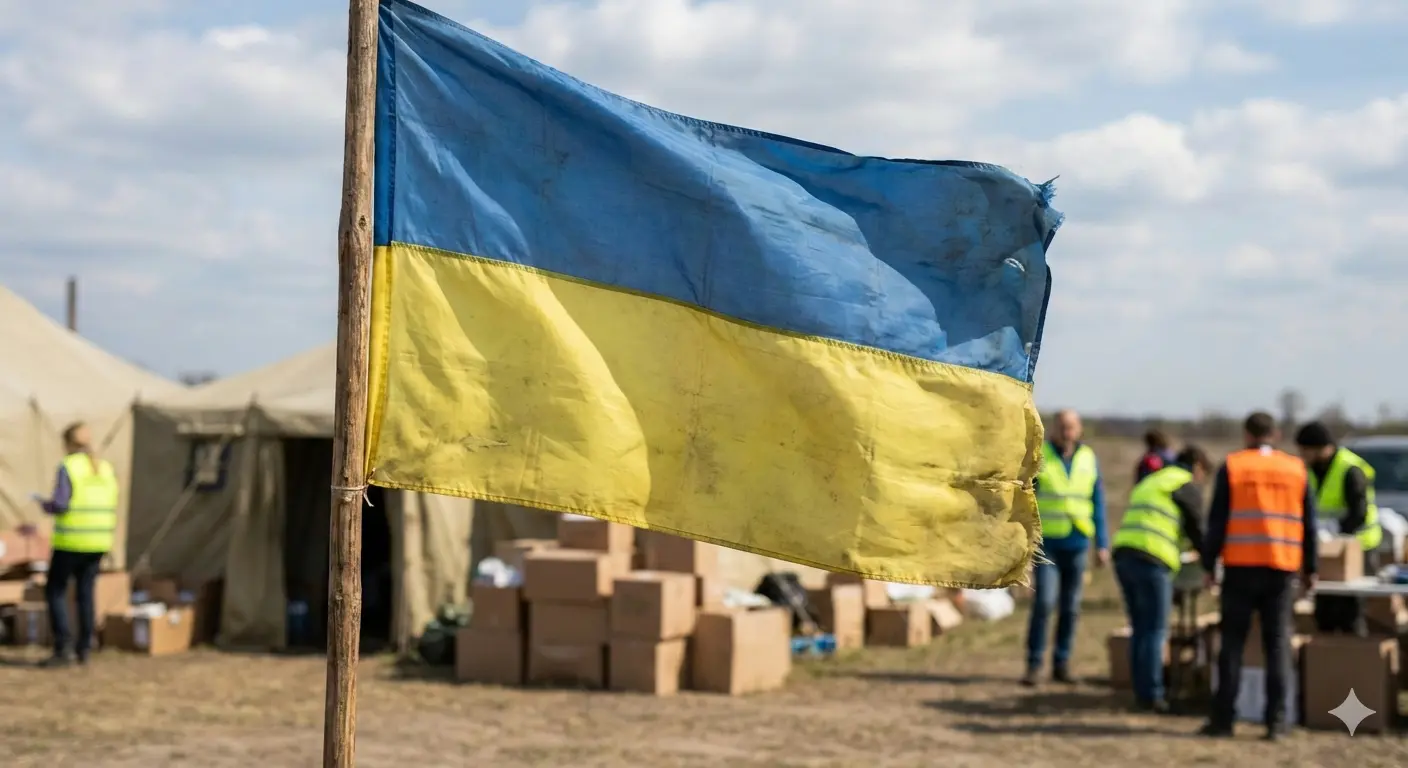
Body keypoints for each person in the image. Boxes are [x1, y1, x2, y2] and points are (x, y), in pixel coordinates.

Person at [1200, 412, 1317, 741]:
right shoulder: (1296, 469)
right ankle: (1277, 722)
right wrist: (1312, 568)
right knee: (1277, 645)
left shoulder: (1234, 466)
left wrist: (1209, 565)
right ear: (1275, 434)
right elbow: (1309, 524)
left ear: (1247, 434)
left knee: (1233, 646)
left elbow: (1217, 521)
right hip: (1282, 568)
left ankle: (1223, 720)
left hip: (1239, 567)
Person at [1112, 444, 1213, 713]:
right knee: (1156, 630)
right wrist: (1211, 561)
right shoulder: (1185, 483)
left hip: (1124, 555)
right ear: (1198, 467)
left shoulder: (1153, 480)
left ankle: (1140, 690)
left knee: (1140, 628)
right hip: (1153, 560)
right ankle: (1153, 696)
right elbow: (1198, 529)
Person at [1022, 409, 1109, 687]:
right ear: (1054, 429)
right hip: (1048, 544)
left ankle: (1062, 662)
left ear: (1079, 430)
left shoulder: (1088, 458)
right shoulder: (1041, 455)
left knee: (1071, 607)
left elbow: (1098, 502)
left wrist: (1102, 544)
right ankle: (1034, 664)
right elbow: (1026, 498)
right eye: (1062, 427)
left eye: (1071, 427)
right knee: (1045, 603)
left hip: (1078, 541)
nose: (1067, 432)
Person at [35, 422, 120, 667]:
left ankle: (63, 647)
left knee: (56, 590)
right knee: (85, 593)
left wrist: (45, 505)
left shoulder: (69, 467)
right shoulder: (104, 467)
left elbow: (61, 504)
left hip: (72, 539)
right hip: (99, 540)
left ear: (68, 444)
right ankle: (85, 647)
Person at [1295, 421, 1382, 636]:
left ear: (1322, 447)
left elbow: (1359, 512)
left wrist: (1334, 529)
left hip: (1357, 547)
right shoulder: (1310, 471)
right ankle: (1328, 659)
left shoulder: (1350, 470)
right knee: (1325, 612)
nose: (1303, 455)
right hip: (1327, 550)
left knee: (1350, 612)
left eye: (1306, 450)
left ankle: (1350, 659)